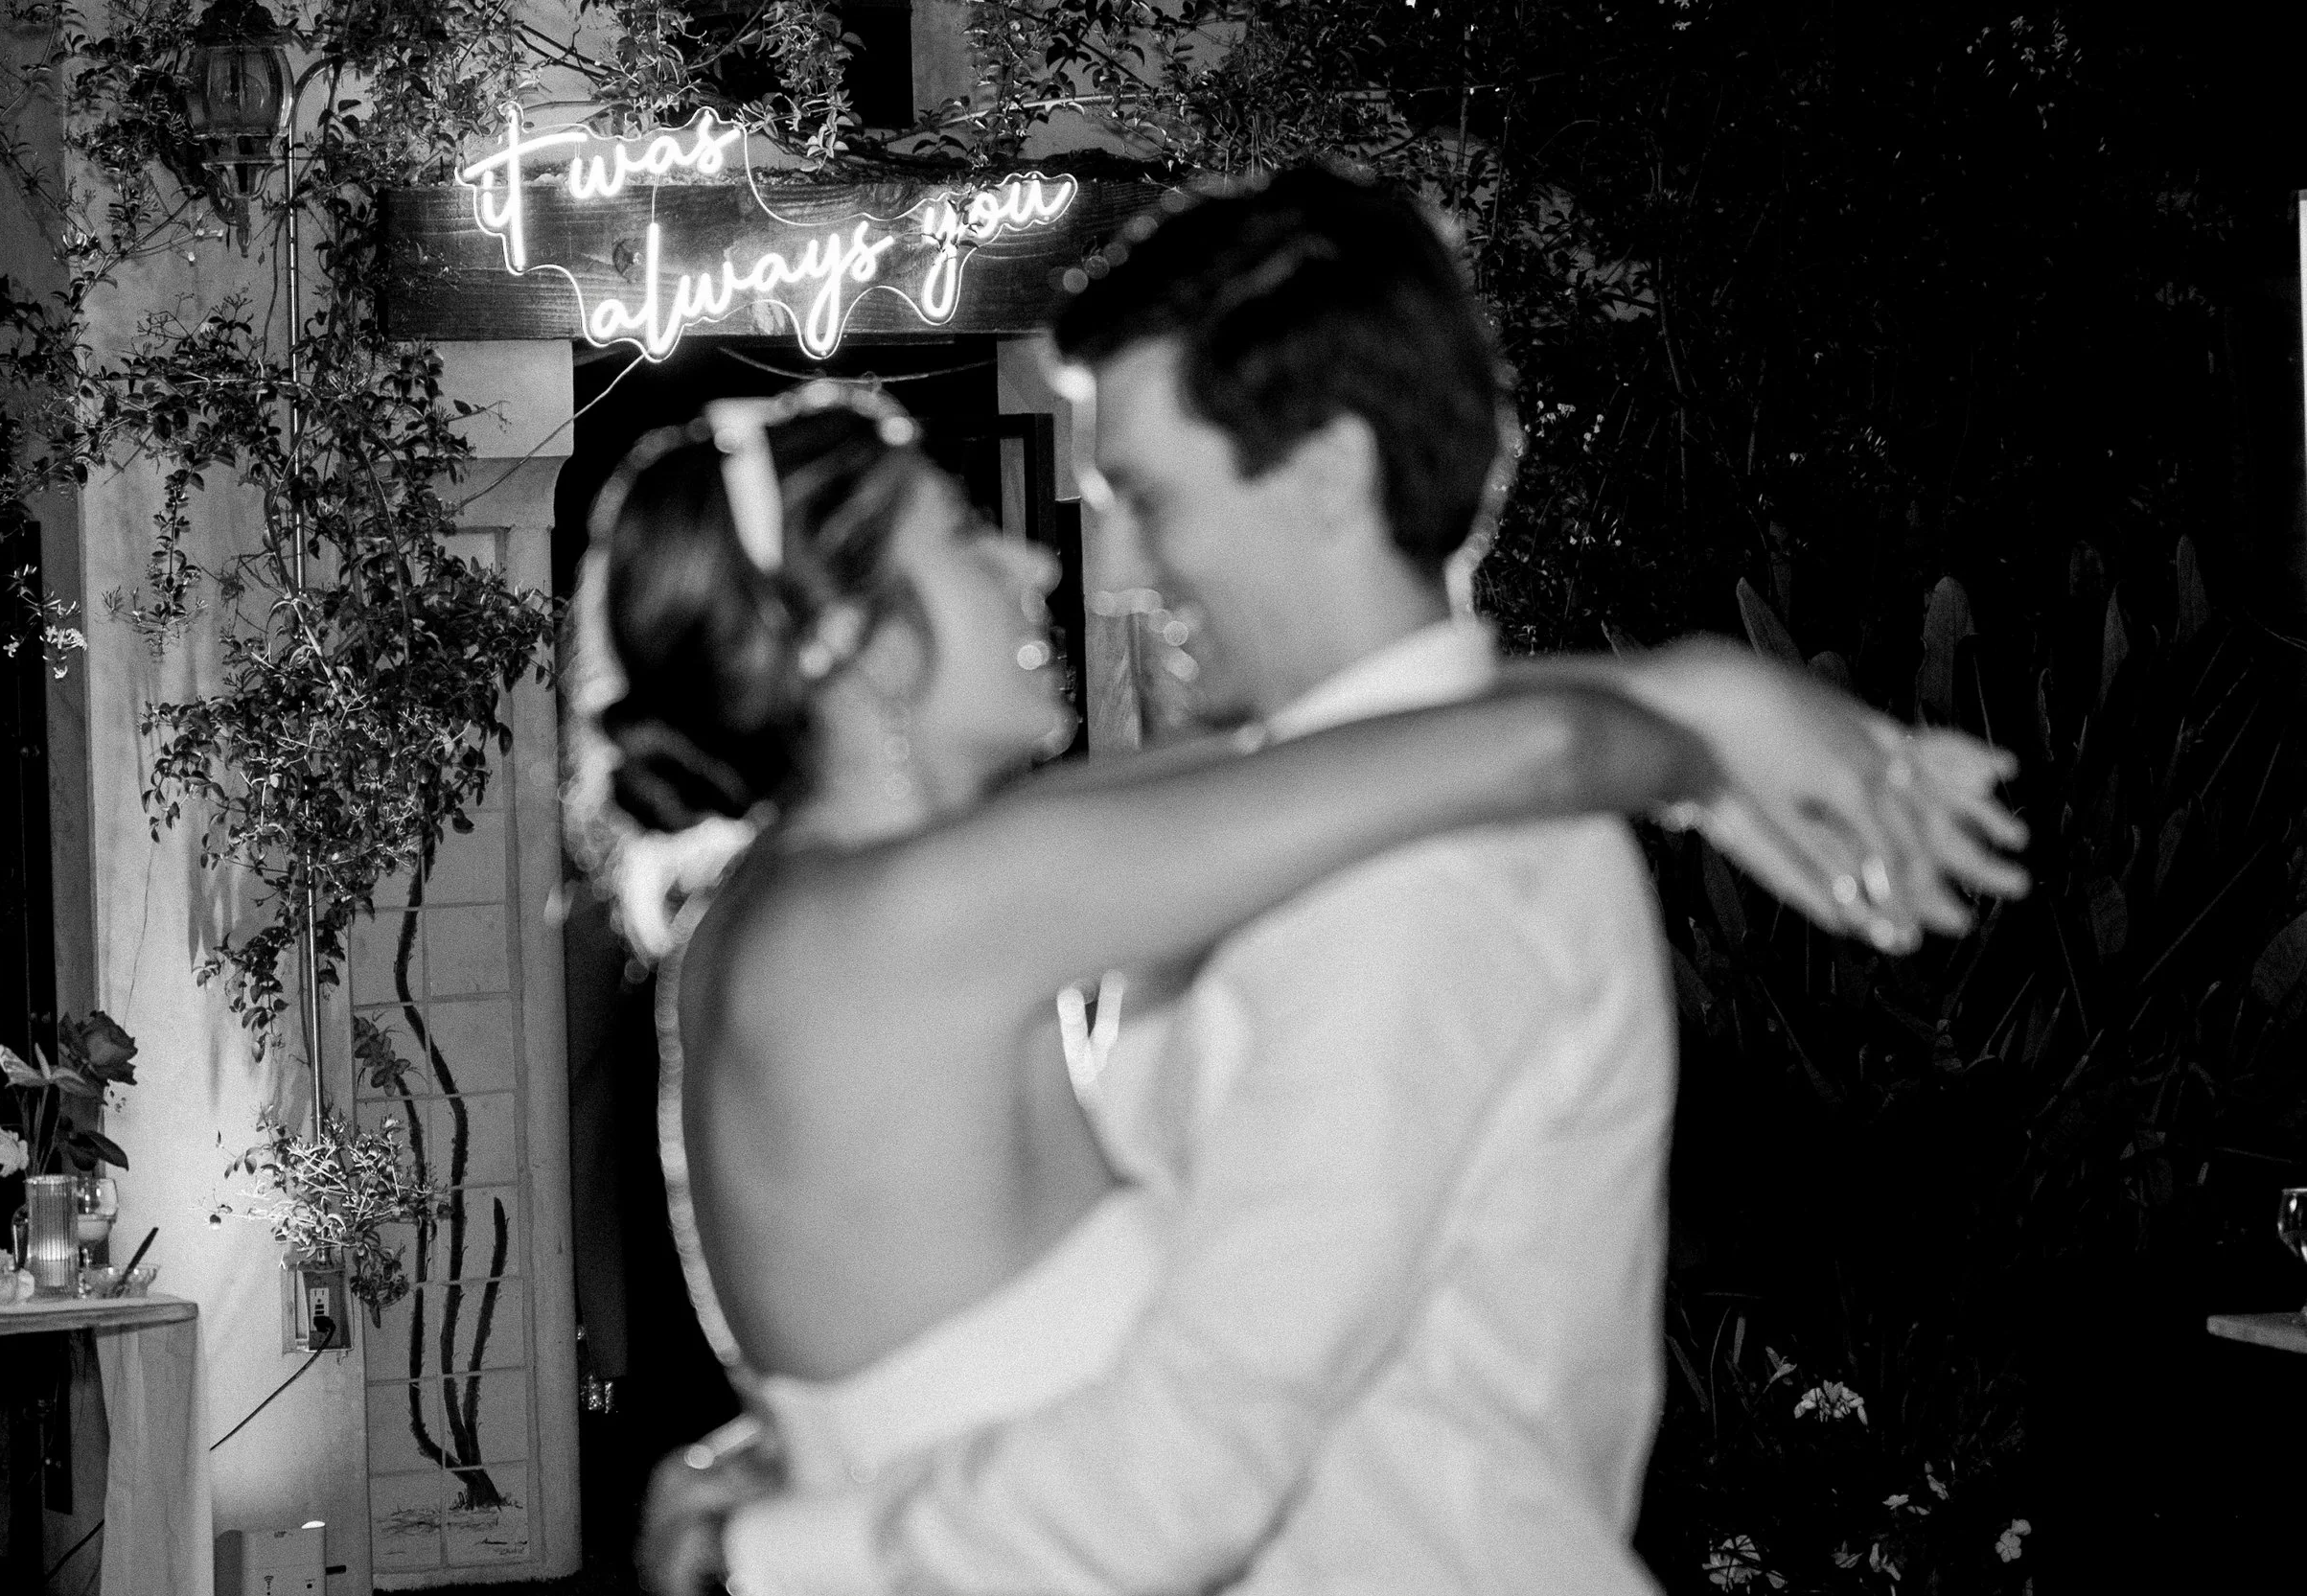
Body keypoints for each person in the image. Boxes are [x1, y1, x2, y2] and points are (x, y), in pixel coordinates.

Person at [600, 179, 2023, 1590]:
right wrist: (1697, 712)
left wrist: (788, 1546)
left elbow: (1195, 1456)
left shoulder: (1419, 867)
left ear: (1329, 474)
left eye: (1148, 498)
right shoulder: (1137, 851)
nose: (1095, 563)